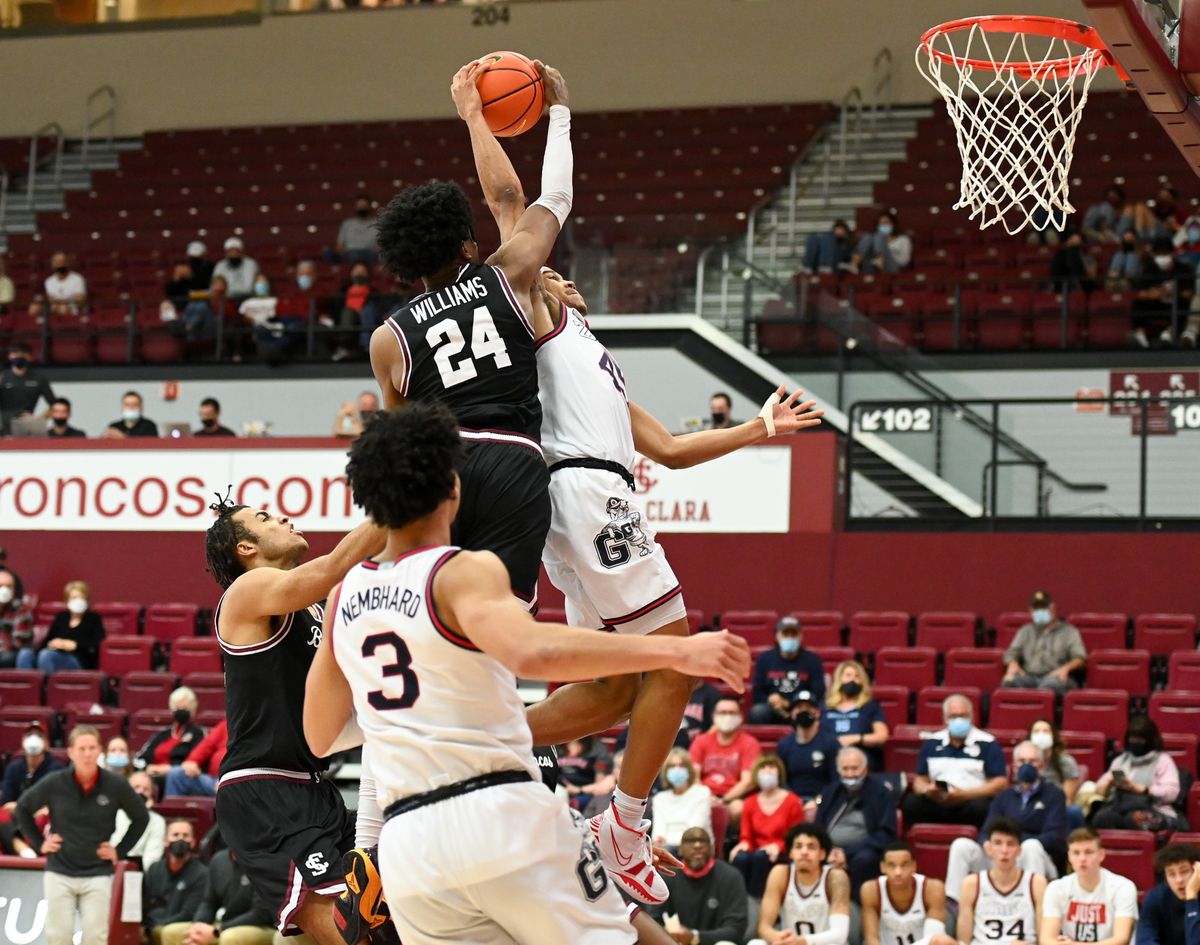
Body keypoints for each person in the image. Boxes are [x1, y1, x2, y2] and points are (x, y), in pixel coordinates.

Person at [300, 401, 751, 945]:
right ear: (453, 486)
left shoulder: (345, 594)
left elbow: (321, 735)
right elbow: (533, 652)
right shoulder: (461, 571)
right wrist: (673, 654)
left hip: (409, 848)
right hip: (495, 814)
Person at [369, 61, 571, 615]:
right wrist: (475, 116)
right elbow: (519, 199)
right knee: (504, 626)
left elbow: (399, 440)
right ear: (465, 246)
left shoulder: (388, 339)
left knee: (441, 616)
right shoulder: (506, 274)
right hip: (512, 458)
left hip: (443, 471)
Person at [203, 483, 387, 945]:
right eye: (266, 518)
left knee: (380, 912)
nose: (283, 518)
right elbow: (333, 567)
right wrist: (398, 503)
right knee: (351, 927)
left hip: (312, 786)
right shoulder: (248, 589)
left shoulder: (314, 609)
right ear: (246, 547)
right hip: (261, 787)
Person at [13, 724, 150, 945]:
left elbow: (141, 817)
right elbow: (22, 809)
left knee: (96, 938)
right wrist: (40, 843)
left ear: (99, 751)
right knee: (58, 937)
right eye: (82, 748)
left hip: (97, 872)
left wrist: (119, 850)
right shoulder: (55, 782)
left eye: (92, 748)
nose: (87, 754)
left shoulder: (116, 785)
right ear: (71, 752)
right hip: (60, 871)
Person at [944, 740, 1065, 904]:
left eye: (1032, 761)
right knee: (961, 845)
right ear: (1014, 766)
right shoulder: (1004, 796)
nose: (1026, 765)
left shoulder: (1054, 795)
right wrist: (987, 842)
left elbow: (1054, 836)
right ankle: (954, 906)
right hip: (1002, 853)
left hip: (1033, 857)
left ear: (1042, 766)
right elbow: (987, 830)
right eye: (1022, 761)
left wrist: (1015, 844)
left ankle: (1033, 906)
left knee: (1031, 846)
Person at [900, 693, 1007, 828]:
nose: (958, 720)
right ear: (944, 719)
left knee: (982, 807)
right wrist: (928, 790)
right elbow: (920, 779)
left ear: (971, 717)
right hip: (938, 801)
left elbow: (1000, 783)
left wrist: (964, 795)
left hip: (971, 802)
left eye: (962, 716)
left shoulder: (988, 743)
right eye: (953, 716)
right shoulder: (932, 742)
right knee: (911, 803)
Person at [814, 747, 898, 897]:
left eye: (855, 768)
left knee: (865, 860)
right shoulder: (830, 791)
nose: (850, 774)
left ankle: (856, 907)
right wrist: (828, 850)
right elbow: (817, 828)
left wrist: (847, 853)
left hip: (864, 850)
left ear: (865, 769)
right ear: (838, 770)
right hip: (830, 850)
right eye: (845, 769)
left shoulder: (882, 793)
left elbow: (886, 834)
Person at [648, 825, 749, 945]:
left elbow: (736, 929)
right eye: (690, 841)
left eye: (703, 841)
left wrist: (695, 936)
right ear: (680, 849)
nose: (697, 845)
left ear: (712, 848)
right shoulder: (667, 877)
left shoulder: (731, 877)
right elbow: (653, 921)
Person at [756, 823, 852, 945]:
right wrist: (781, 938)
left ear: (822, 854)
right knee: (755, 943)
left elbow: (840, 935)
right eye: (798, 846)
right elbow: (763, 928)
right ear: (790, 852)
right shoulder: (780, 874)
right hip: (792, 943)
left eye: (811, 847)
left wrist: (802, 941)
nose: (804, 852)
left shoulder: (836, 877)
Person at [160, 846, 278, 945]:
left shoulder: (266, 861)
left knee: (230, 937)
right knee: (171, 931)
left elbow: (260, 914)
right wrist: (198, 924)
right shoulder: (219, 859)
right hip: (225, 922)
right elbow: (209, 902)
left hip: (264, 926)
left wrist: (217, 930)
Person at [955, 818, 1045, 945]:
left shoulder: (1036, 883)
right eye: (998, 843)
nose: (1004, 850)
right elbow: (963, 941)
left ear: (1019, 850)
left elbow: (1044, 938)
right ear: (988, 848)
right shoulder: (972, 884)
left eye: (1010, 844)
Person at [1040, 828, 1137, 945]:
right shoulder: (1056, 888)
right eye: (1076, 853)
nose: (1082, 859)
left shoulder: (1122, 887)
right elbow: (1046, 939)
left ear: (1101, 855)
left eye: (1089, 852)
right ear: (1069, 856)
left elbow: (1121, 939)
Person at [731, 753, 805, 898]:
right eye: (763, 768)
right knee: (740, 858)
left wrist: (779, 846)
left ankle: (756, 902)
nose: (767, 771)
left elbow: (797, 837)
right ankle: (737, 900)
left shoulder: (792, 801)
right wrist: (743, 844)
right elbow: (746, 836)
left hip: (781, 852)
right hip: (757, 851)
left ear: (779, 772)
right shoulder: (750, 802)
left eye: (771, 767)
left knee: (760, 857)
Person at [1089, 714, 1181, 830]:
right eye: (1133, 739)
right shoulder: (1121, 760)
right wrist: (1108, 784)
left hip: (1157, 811)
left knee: (1134, 819)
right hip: (1121, 807)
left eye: (1140, 739)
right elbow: (1100, 790)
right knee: (1102, 818)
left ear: (1149, 740)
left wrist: (1139, 788)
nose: (1135, 742)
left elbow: (1172, 793)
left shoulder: (1163, 760)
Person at [860, 842, 954, 945]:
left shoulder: (932, 888)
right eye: (891, 865)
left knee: (942, 941)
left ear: (914, 866)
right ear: (882, 867)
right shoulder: (871, 890)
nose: (898, 872)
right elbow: (871, 939)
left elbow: (933, 938)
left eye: (904, 865)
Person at [689, 696, 762, 822]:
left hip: (734, 797)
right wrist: (707, 797)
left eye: (731, 713)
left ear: (741, 716)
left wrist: (723, 800)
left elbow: (748, 781)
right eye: (722, 712)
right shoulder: (701, 741)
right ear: (714, 716)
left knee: (738, 808)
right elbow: (693, 776)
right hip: (703, 795)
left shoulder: (750, 743)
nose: (727, 716)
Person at [1002, 591, 1086, 695]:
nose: (1039, 611)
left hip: (1056, 676)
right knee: (1009, 682)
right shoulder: (1025, 630)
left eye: (1043, 608)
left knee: (1048, 686)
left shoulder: (1069, 631)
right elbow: (1011, 653)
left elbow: (1079, 658)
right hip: (1030, 676)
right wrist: (1012, 664)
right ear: (1031, 611)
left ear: (1053, 608)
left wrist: (1065, 669)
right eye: (1036, 609)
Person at [143, 818, 209, 945]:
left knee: (168, 931)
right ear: (165, 841)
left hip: (179, 925)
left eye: (185, 835)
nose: (180, 839)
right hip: (152, 925)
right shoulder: (154, 869)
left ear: (193, 842)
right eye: (175, 835)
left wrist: (157, 926)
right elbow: (145, 904)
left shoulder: (202, 873)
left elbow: (189, 913)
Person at [749, 617, 826, 724]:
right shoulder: (764, 659)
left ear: (800, 636)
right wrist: (770, 699)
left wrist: (791, 703)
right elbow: (757, 691)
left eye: (794, 634)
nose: (790, 638)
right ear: (777, 637)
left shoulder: (813, 660)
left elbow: (818, 692)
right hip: (772, 708)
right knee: (758, 711)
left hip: (803, 706)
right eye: (785, 634)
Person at [17, 579, 105, 672]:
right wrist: (53, 643)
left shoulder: (93, 618)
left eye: (81, 598)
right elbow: (48, 640)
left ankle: (47, 685)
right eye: (74, 598)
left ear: (87, 600)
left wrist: (75, 645)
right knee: (25, 653)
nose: (78, 601)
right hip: (53, 653)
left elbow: (97, 644)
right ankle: (26, 684)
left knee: (46, 655)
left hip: (77, 659)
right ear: (67, 601)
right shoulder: (61, 617)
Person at [775, 690, 842, 803]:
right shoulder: (784, 745)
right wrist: (794, 801)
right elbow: (781, 780)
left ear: (817, 713)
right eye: (799, 708)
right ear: (792, 714)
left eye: (808, 707)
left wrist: (818, 801)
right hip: (792, 802)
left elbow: (836, 780)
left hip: (823, 802)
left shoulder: (831, 743)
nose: (804, 711)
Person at [822, 660, 888, 771]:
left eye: (857, 676)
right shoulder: (825, 706)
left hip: (860, 755)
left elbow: (881, 736)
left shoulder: (870, 706)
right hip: (829, 755)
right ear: (839, 679)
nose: (852, 679)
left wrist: (856, 738)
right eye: (848, 675)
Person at [1130, 237, 1194, 348]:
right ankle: (1140, 336)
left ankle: (1168, 334)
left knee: (1184, 304)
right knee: (1137, 304)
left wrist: (1171, 294)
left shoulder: (1184, 269)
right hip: (1156, 303)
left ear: (1172, 254)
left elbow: (1188, 294)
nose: (1161, 257)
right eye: (1158, 254)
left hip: (1174, 303)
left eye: (1165, 254)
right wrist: (1152, 294)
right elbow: (1142, 293)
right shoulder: (1149, 268)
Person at [1137, 842, 1200, 945]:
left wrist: (1191, 897)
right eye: (1171, 874)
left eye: (1184, 871)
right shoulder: (1155, 898)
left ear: (1197, 871)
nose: (1179, 880)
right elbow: (1144, 940)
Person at [134, 686, 205, 777]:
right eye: (178, 707)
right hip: (151, 776)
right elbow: (140, 759)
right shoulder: (162, 734)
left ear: (193, 709)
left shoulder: (198, 734)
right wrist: (146, 768)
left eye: (185, 708)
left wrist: (167, 770)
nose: (181, 711)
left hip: (178, 779)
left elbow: (194, 765)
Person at [651, 748, 712, 852]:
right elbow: (658, 833)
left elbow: (693, 832)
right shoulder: (659, 798)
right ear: (666, 771)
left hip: (695, 848)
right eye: (672, 766)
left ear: (689, 769)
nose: (676, 770)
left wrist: (666, 840)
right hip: (666, 848)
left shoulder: (702, 793)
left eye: (681, 766)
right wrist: (660, 840)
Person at [1, 722, 62, 809]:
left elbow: (55, 806)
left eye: (39, 736)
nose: (33, 740)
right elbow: (6, 805)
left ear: (47, 743)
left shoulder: (56, 770)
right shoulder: (13, 768)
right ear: (23, 742)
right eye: (29, 735)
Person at [1, 340, 55, 436]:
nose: (19, 357)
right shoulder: (3, 377)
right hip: (3, 424)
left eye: (23, 354)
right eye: (16, 354)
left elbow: (54, 404)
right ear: (9, 356)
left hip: (26, 426)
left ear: (30, 357)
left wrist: (39, 420)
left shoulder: (38, 379)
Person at [164, 718, 225, 797]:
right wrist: (192, 761)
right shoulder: (226, 725)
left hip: (237, 781)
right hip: (213, 781)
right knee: (175, 774)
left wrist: (228, 780)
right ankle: (172, 809)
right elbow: (206, 745)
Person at [117, 770, 166, 867]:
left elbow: (152, 858)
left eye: (146, 789)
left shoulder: (157, 821)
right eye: (136, 787)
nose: (140, 792)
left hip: (138, 872)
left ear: (151, 794)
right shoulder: (112, 813)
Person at [558, 735, 615, 811]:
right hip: (558, 788)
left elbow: (600, 785)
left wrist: (577, 790)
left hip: (585, 792)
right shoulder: (555, 744)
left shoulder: (597, 748)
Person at [0, 567, 34, 668]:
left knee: (7, 657)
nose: (4, 590)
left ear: (14, 591)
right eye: (1, 586)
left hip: (8, 653)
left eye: (9, 587)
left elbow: (19, 643)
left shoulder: (21, 610)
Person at [36, 251, 88, 316]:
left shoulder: (78, 279)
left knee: (63, 308)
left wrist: (62, 302)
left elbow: (80, 299)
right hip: (54, 307)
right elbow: (50, 299)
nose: (60, 264)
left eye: (62, 261)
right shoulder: (49, 281)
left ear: (67, 263)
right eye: (57, 262)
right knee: (35, 309)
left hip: (73, 309)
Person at [335, 193, 379, 264]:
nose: (362, 208)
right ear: (355, 207)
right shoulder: (347, 223)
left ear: (369, 207)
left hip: (370, 254)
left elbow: (382, 245)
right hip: (350, 254)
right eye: (360, 206)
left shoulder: (377, 223)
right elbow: (339, 246)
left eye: (364, 205)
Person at [211, 237, 259, 302]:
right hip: (224, 299)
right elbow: (215, 286)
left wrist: (226, 292)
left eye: (236, 251)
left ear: (242, 252)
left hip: (245, 299)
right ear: (226, 253)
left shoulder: (250, 264)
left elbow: (248, 289)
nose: (233, 254)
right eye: (230, 252)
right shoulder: (220, 265)